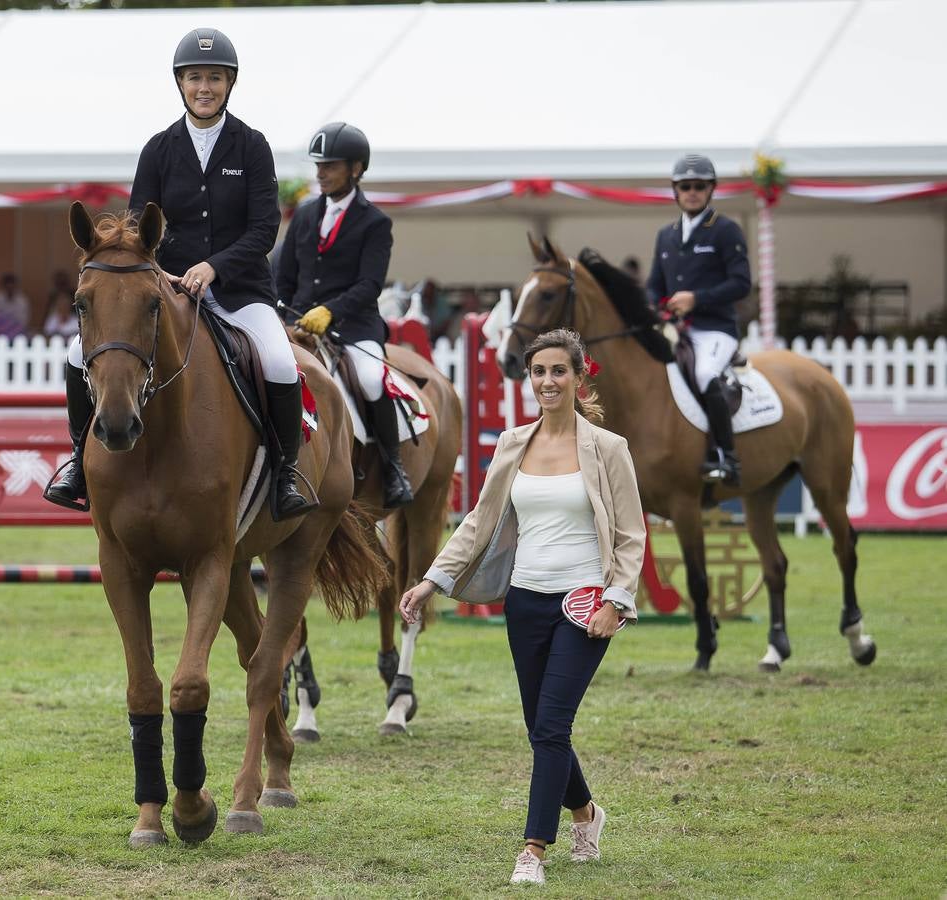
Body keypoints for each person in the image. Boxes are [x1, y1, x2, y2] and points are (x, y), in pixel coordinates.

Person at [399, 328, 645, 887]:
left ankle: (533, 849)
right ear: (529, 379)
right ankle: (585, 813)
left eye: (560, 371)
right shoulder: (513, 444)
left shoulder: (609, 449)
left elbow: (631, 535)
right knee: (542, 727)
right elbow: (478, 525)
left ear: (580, 377)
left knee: (552, 726)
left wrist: (617, 602)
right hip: (525, 603)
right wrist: (431, 581)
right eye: (539, 372)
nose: (548, 381)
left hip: (584, 606)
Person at [45, 27, 314, 522]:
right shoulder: (159, 149)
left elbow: (264, 228)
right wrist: (162, 274)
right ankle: (78, 465)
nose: (204, 87)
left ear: (230, 84)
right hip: (168, 289)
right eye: (195, 78)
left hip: (241, 292)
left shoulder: (252, 146)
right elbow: (136, 230)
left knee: (278, 360)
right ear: (181, 84)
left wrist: (214, 266)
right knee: (75, 353)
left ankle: (285, 473)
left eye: (214, 78)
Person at [275, 121, 410, 508]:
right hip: (298, 324)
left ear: (355, 169)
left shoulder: (374, 223)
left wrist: (329, 312)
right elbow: (283, 277)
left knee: (370, 380)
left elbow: (370, 284)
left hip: (354, 326)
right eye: (318, 166)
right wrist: (283, 315)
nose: (320, 173)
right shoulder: (303, 215)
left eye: (330, 165)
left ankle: (393, 466)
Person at [645, 153, 752, 486]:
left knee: (705, 373)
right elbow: (654, 285)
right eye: (685, 186)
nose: (692, 192)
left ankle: (726, 457)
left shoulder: (725, 231)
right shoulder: (666, 235)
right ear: (676, 191)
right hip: (677, 330)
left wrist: (696, 299)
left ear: (711, 190)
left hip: (716, 329)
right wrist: (654, 306)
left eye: (699, 186)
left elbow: (741, 283)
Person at [42, 270, 78, 339]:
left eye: (65, 305)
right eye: (60, 306)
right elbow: (46, 334)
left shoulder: (75, 320)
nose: (63, 308)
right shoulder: (52, 319)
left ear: (69, 306)